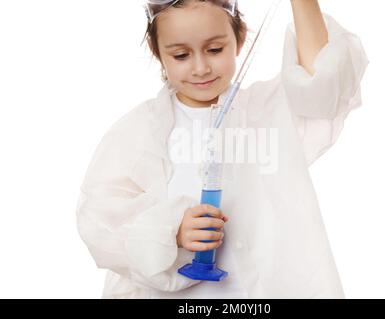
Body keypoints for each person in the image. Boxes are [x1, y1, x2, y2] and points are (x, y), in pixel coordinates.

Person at [76, 0, 369, 298]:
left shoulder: (269, 112)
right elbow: (101, 219)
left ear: (239, 39)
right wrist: (171, 231)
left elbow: (322, 84)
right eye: (180, 55)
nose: (201, 68)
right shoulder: (139, 131)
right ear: (158, 53)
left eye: (215, 50)